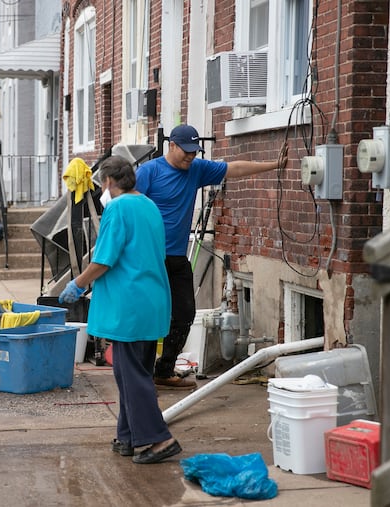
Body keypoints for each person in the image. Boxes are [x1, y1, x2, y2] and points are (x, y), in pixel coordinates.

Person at [135, 124, 288, 389]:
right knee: (151, 316)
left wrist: (273, 165)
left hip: (176, 257)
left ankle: (164, 370)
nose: (191, 157)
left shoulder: (196, 170)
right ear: (171, 145)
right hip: (149, 258)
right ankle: (141, 376)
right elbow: (128, 206)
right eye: (187, 151)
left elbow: (234, 169)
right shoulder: (149, 172)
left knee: (184, 315)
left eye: (195, 152)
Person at [58, 155, 181, 464]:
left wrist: (79, 283)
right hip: (151, 301)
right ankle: (128, 437)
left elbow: (104, 259)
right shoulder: (148, 205)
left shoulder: (117, 208)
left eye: (102, 183)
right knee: (132, 374)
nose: (102, 189)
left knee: (133, 377)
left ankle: (159, 439)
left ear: (109, 182)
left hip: (128, 305)